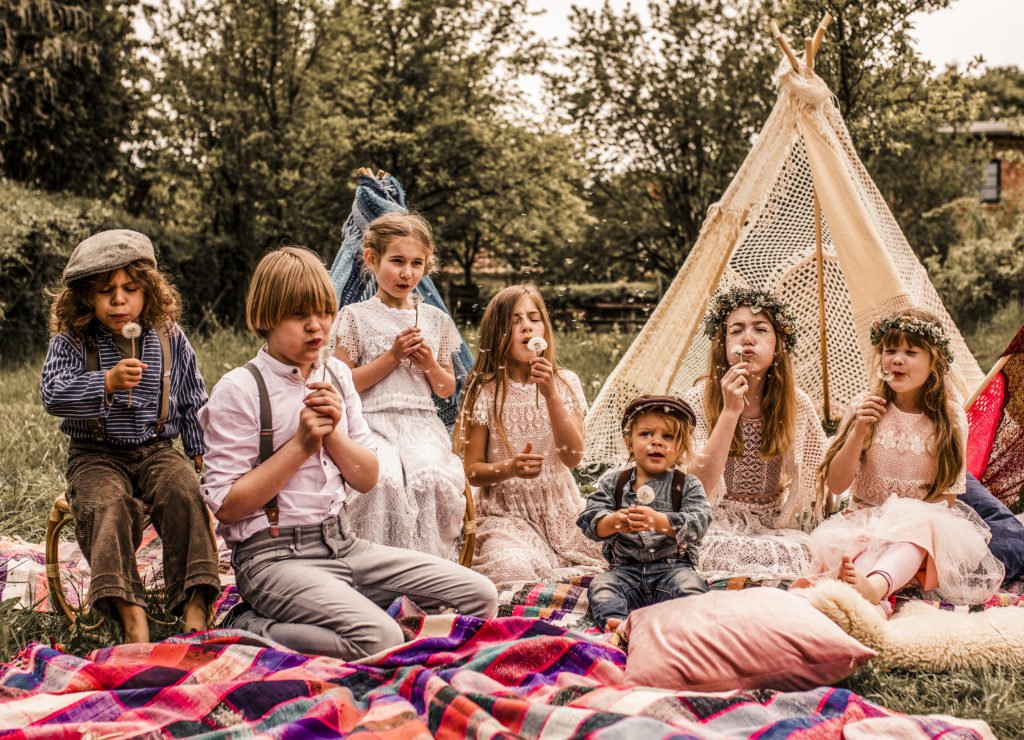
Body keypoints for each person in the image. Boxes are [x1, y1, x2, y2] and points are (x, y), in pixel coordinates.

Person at [200, 246, 496, 659]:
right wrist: (301, 446)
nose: (316, 327)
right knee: (380, 639)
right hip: (273, 558)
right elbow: (228, 507)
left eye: (324, 313)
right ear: (265, 317)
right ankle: (248, 625)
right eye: (299, 315)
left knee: (480, 594)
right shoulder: (241, 389)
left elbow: (366, 477)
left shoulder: (336, 374)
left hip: (342, 544)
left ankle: (336, 609)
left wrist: (333, 436)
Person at [40, 229, 219, 643]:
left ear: (149, 292)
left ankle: (195, 601)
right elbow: (52, 394)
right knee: (107, 505)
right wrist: (104, 382)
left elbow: (192, 395)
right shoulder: (72, 341)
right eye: (106, 291)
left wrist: (197, 449)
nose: (119, 300)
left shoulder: (169, 336)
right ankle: (130, 611)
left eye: (130, 289)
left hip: (157, 449)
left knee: (183, 492)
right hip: (95, 454)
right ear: (87, 297)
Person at [803, 308, 1004, 610]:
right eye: (889, 350)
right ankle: (867, 592)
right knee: (858, 550)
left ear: (933, 362)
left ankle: (876, 586)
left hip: (919, 530)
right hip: (863, 520)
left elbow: (946, 497)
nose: (896, 359)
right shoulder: (864, 407)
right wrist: (858, 432)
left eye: (910, 352)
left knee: (916, 530)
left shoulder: (949, 418)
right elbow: (836, 483)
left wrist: (899, 519)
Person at [333, 212, 466, 558]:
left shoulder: (436, 320)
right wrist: (391, 357)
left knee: (429, 476)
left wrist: (429, 365)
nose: (407, 273)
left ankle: (428, 565)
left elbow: (446, 389)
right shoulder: (355, 317)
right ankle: (372, 564)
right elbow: (343, 382)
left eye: (416, 263)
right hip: (372, 422)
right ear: (372, 260)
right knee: (383, 479)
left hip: (421, 423)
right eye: (397, 261)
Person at [454, 285, 603, 585]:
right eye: (514, 320)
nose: (526, 326)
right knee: (513, 569)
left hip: (563, 511)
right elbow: (471, 472)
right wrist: (509, 468)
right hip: (506, 517)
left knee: (619, 552)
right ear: (497, 333)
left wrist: (550, 394)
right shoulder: (485, 390)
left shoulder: (564, 382)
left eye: (534, 318)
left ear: (544, 329)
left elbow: (572, 457)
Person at [684, 287, 827, 582]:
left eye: (760, 329)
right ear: (722, 344)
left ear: (778, 345)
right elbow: (696, 486)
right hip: (716, 518)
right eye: (736, 331)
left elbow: (816, 480)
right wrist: (729, 412)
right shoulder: (699, 399)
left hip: (772, 522)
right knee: (700, 549)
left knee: (804, 556)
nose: (747, 338)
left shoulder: (796, 404)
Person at [577, 395, 711, 632]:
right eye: (646, 434)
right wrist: (613, 522)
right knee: (601, 586)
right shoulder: (613, 483)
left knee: (692, 586)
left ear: (679, 446)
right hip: (624, 571)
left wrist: (661, 522)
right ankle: (619, 627)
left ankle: (686, 628)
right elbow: (590, 519)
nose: (656, 442)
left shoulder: (686, 484)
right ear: (630, 443)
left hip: (673, 568)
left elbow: (699, 521)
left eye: (667, 436)